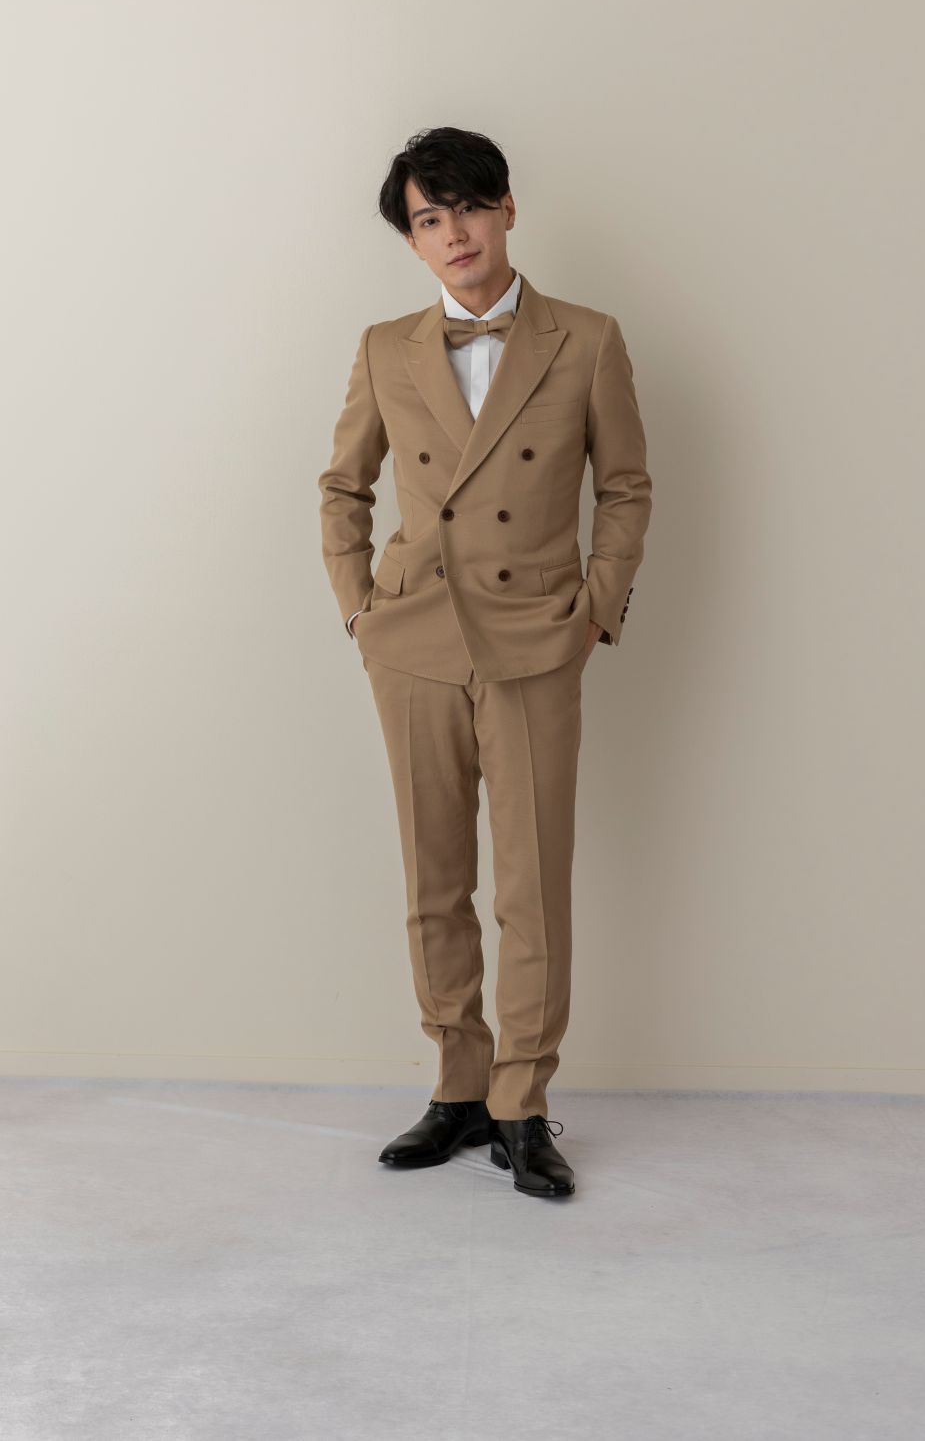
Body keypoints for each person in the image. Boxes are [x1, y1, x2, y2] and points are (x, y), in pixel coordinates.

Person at [317, 126, 652, 1198]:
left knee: (532, 885)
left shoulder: (586, 338)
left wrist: (593, 611)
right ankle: (457, 1085)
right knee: (434, 877)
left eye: (467, 206)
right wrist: (359, 610)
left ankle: (522, 1103)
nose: (453, 232)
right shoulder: (385, 347)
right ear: (413, 241)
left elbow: (625, 486)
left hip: (533, 642)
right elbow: (343, 486)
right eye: (429, 218)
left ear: (507, 209)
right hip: (413, 642)